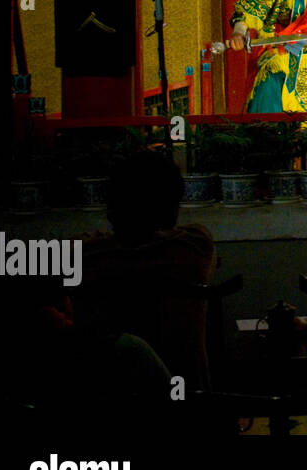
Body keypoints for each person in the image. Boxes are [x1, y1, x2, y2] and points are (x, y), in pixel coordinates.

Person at [79, 150, 217, 389]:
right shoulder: (195, 245)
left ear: (112, 208)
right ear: (173, 208)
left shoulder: (86, 256)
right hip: (188, 398)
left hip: (107, 398)